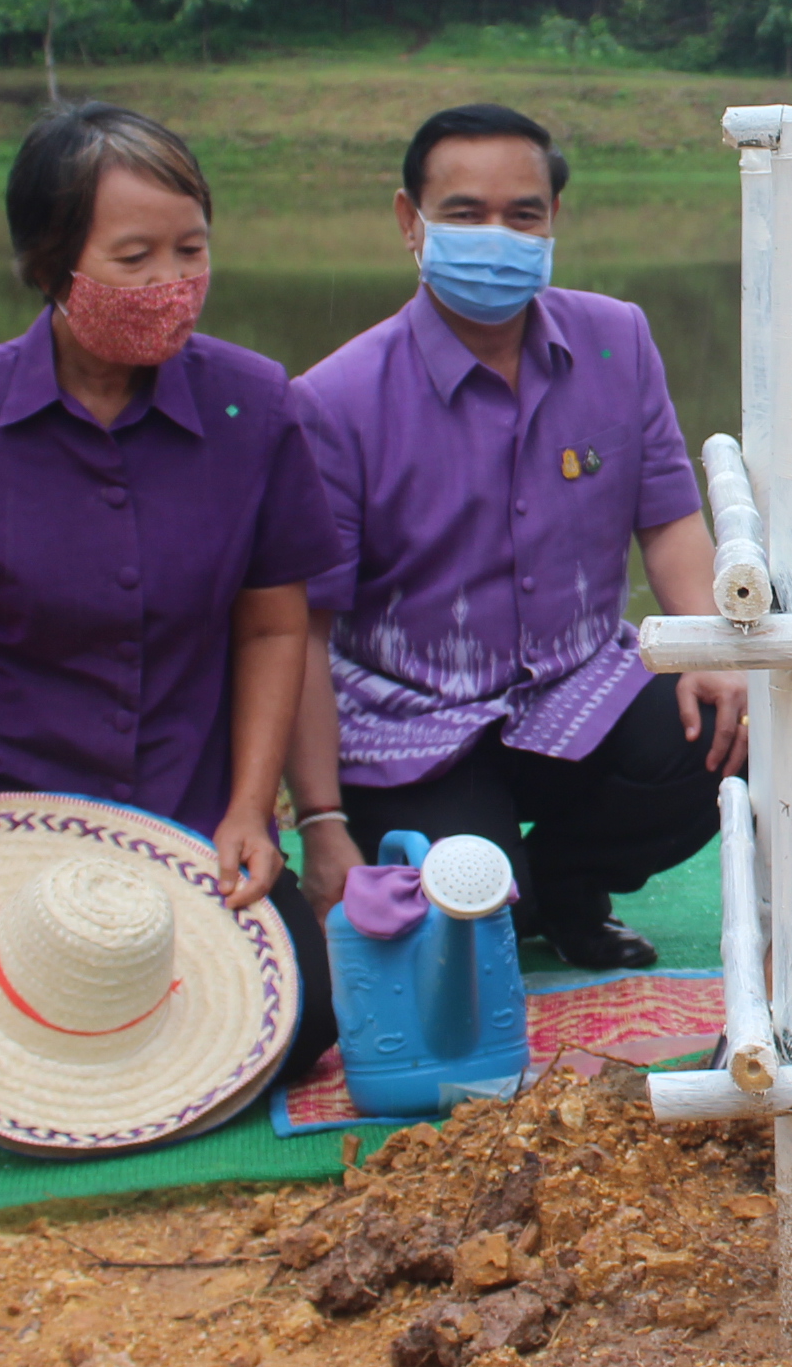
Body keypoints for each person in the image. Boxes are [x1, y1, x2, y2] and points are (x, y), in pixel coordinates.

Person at [0, 101, 347, 1087]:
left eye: (190, 250)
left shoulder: (255, 406)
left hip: (187, 827)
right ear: (47, 264)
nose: (171, 284)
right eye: (134, 258)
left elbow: (273, 625)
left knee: (304, 1019)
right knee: (21, 1023)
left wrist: (253, 807)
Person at [285, 103, 746, 970]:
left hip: (578, 685)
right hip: (413, 717)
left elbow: (671, 520)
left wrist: (712, 649)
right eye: (465, 214)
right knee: (468, 906)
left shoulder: (618, 342)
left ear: (552, 223)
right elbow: (303, 631)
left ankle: (566, 883)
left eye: (522, 215)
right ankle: (520, 893)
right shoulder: (333, 400)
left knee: (730, 733)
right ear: (408, 222)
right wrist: (320, 818)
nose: (496, 236)